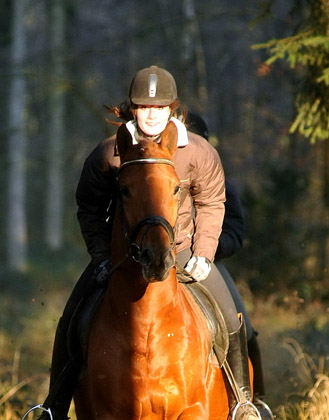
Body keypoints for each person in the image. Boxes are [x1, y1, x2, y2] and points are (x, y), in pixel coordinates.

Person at [36, 65, 262, 420]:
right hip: (121, 255)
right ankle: (53, 408)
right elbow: (88, 208)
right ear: (133, 109)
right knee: (73, 316)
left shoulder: (198, 152)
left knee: (230, 317)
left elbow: (212, 203)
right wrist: (100, 256)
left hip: (183, 249)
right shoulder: (107, 154)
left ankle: (243, 403)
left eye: (159, 108)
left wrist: (203, 254)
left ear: (172, 109)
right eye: (144, 107)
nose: (152, 115)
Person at [185, 111, 273, 419]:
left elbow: (235, 228)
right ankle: (56, 403)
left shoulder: (216, 177)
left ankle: (252, 402)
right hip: (159, 261)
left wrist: (207, 251)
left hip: (207, 264)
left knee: (243, 326)